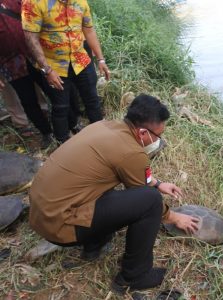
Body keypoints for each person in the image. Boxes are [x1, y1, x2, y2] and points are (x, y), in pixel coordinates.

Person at [29, 94, 200, 293]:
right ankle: (134, 276)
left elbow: (127, 171)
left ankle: (95, 244)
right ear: (143, 133)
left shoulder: (102, 126)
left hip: (42, 212)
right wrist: (174, 217)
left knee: (111, 187)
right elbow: (142, 193)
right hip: (58, 225)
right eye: (158, 136)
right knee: (151, 201)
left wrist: (157, 183)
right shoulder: (132, 152)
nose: (159, 141)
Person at [22, 0, 109, 144]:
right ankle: (63, 144)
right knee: (61, 106)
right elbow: (31, 38)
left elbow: (88, 30)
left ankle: (100, 138)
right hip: (54, 65)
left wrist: (101, 59)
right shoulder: (33, 2)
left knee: (92, 100)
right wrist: (47, 70)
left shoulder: (81, 2)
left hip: (81, 61)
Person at [1, 0, 52, 147]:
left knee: (53, 89)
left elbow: (37, 14)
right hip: (11, 64)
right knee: (28, 100)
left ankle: (71, 122)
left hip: (35, 55)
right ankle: (46, 132)